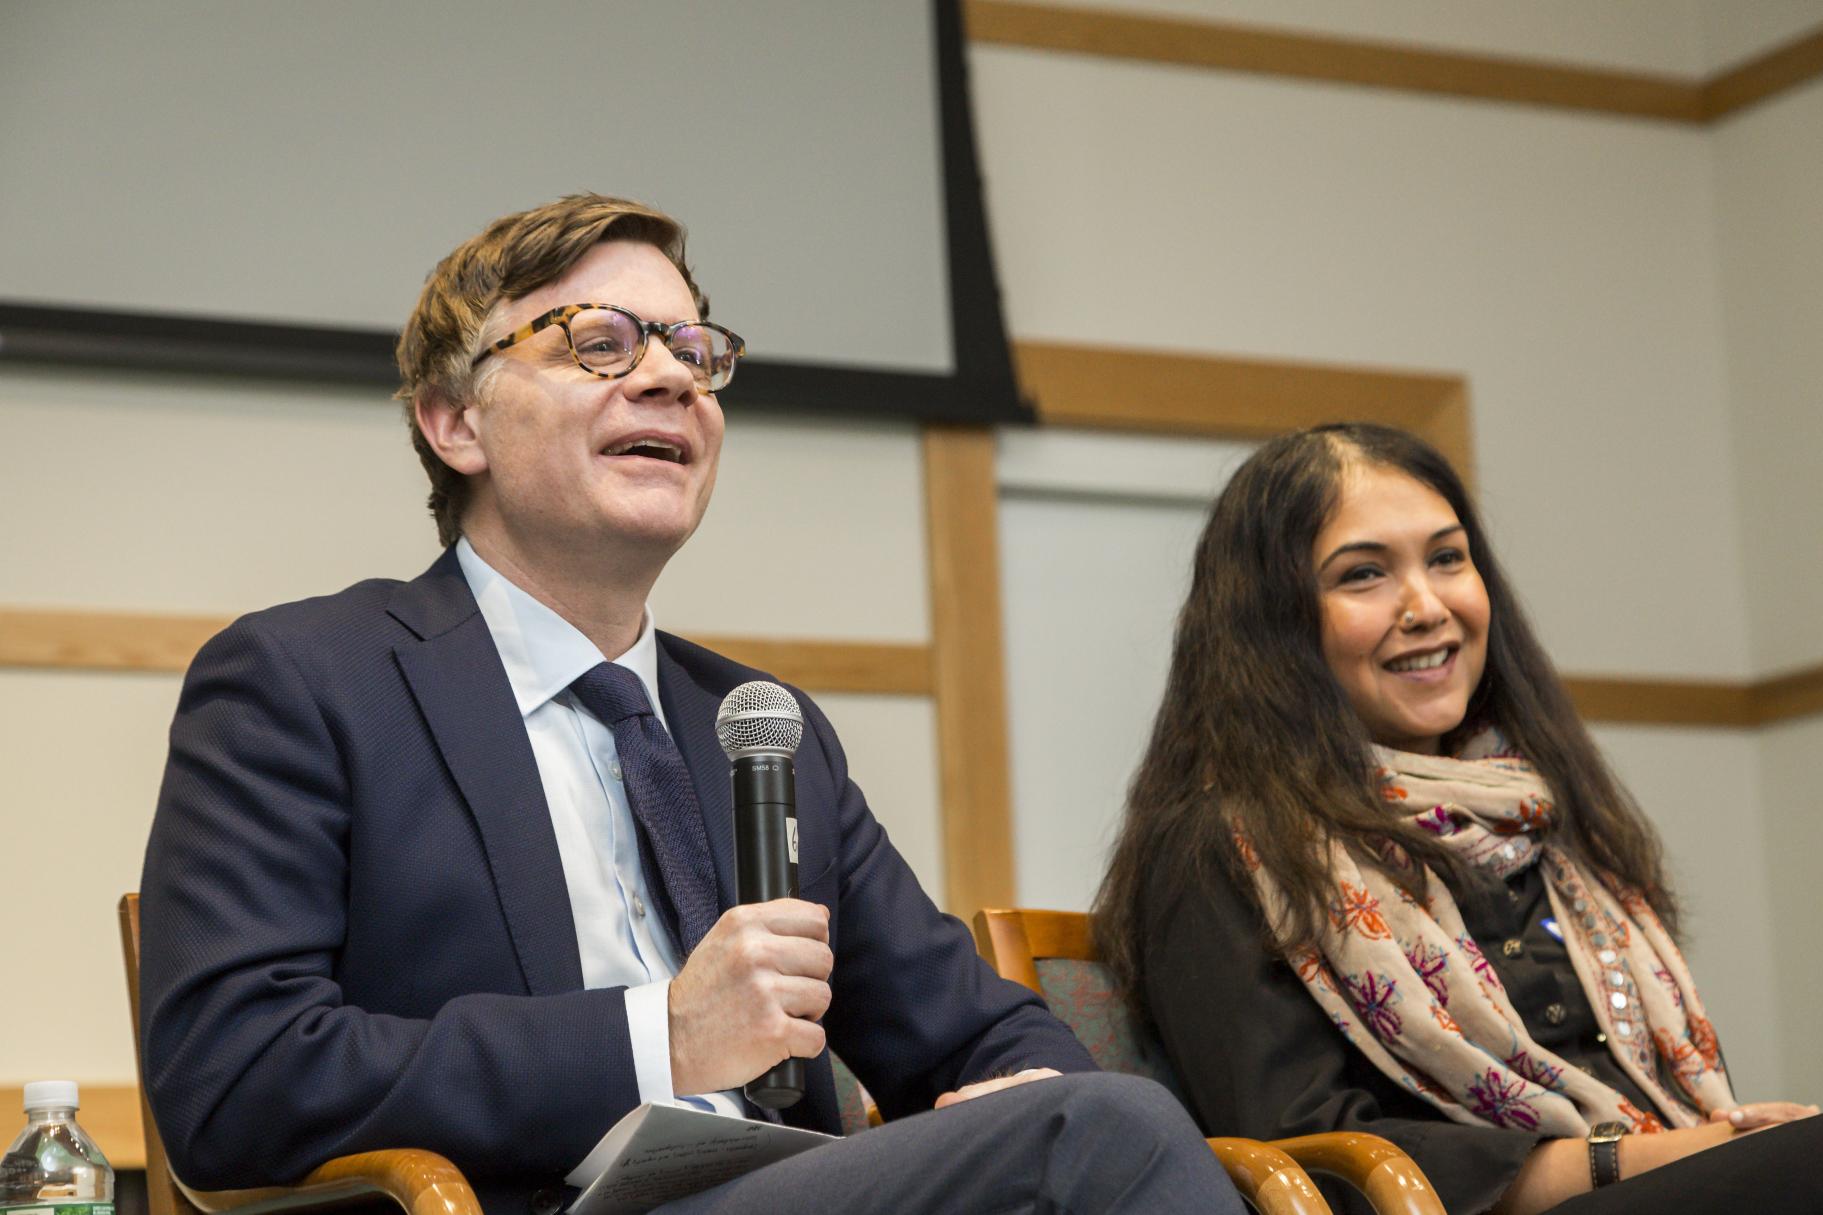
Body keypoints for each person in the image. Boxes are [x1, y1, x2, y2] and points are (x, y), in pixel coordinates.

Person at [137, 194, 1244, 1215]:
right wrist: (657, 1037)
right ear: (453, 423)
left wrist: (1010, 1085)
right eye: (598, 343)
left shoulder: (761, 727)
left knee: (1077, 1118)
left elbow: (971, 1025)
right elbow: (235, 1077)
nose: (670, 379)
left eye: (694, 351)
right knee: (1100, 1133)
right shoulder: (306, 680)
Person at [1093, 422, 1820, 1215]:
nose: (1425, 604)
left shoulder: (1538, 812)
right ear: (1274, 625)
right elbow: (1307, 1151)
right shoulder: (1221, 844)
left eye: (1446, 557)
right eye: (1363, 574)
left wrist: (1721, 1141)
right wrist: (1638, 1158)